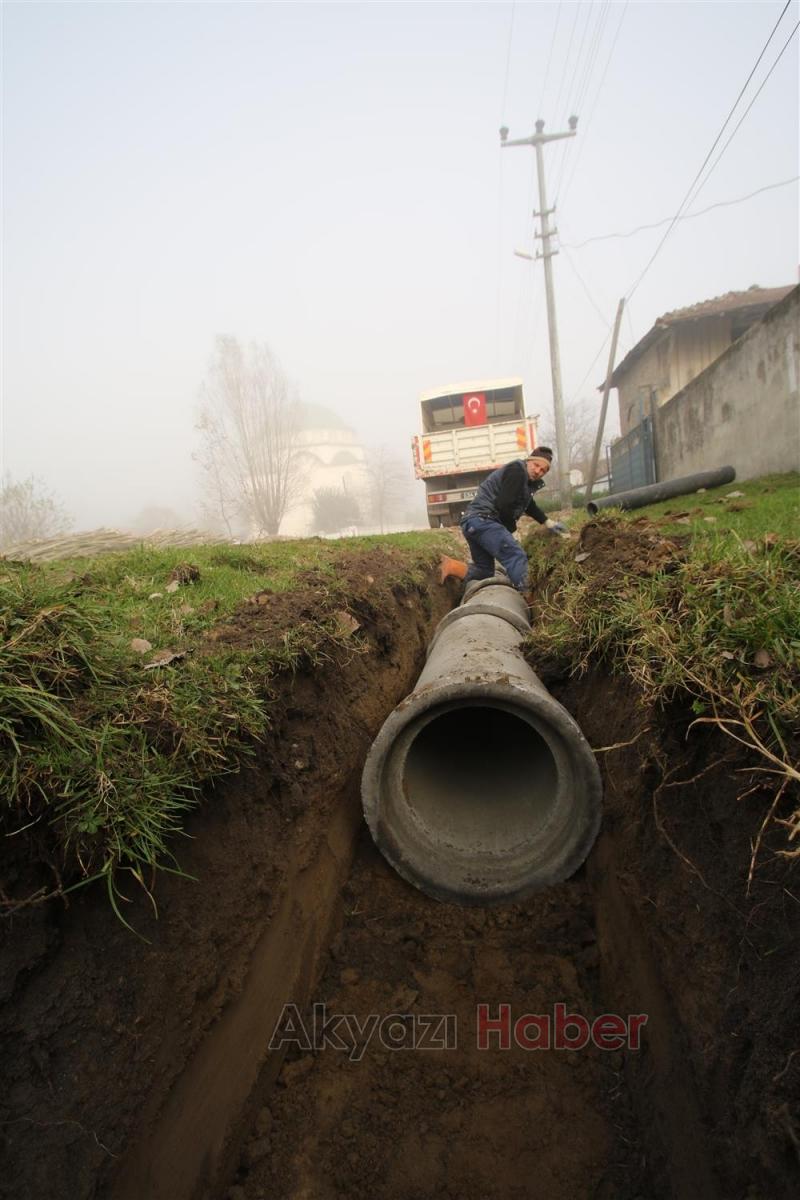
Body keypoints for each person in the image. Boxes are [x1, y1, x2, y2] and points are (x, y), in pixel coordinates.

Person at [439, 447, 567, 594]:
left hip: (472, 522)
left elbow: (529, 505)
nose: (538, 471)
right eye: (536, 465)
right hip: (484, 520)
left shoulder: (523, 479)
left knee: (484, 571)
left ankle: (451, 566)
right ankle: (527, 596)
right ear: (528, 461)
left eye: (543, 470)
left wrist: (547, 522)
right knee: (516, 555)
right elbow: (504, 505)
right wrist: (510, 531)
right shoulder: (517, 471)